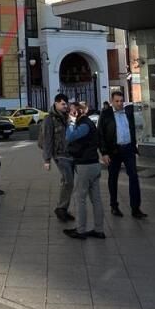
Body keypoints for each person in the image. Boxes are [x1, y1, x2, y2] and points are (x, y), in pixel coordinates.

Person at [99, 90, 147, 219]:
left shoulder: (128, 112)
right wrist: (104, 153)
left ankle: (135, 208)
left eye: (121, 101)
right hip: (113, 151)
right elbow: (101, 134)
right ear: (112, 101)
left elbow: (135, 127)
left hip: (128, 149)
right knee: (113, 178)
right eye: (117, 101)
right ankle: (114, 205)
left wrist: (135, 144)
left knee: (134, 177)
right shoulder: (106, 114)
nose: (119, 104)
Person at [64, 102, 106, 240]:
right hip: (94, 164)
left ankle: (81, 230)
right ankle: (99, 230)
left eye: (71, 110)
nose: (69, 112)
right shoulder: (88, 123)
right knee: (96, 199)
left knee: (80, 198)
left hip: (85, 165)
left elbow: (70, 137)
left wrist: (70, 123)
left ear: (78, 112)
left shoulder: (84, 125)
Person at [40, 94, 74, 222]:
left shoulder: (66, 117)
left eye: (66, 104)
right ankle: (61, 209)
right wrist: (47, 160)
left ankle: (63, 208)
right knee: (68, 181)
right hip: (59, 155)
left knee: (68, 183)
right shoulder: (49, 119)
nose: (66, 106)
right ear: (56, 103)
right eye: (63, 104)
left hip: (70, 154)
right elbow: (48, 139)